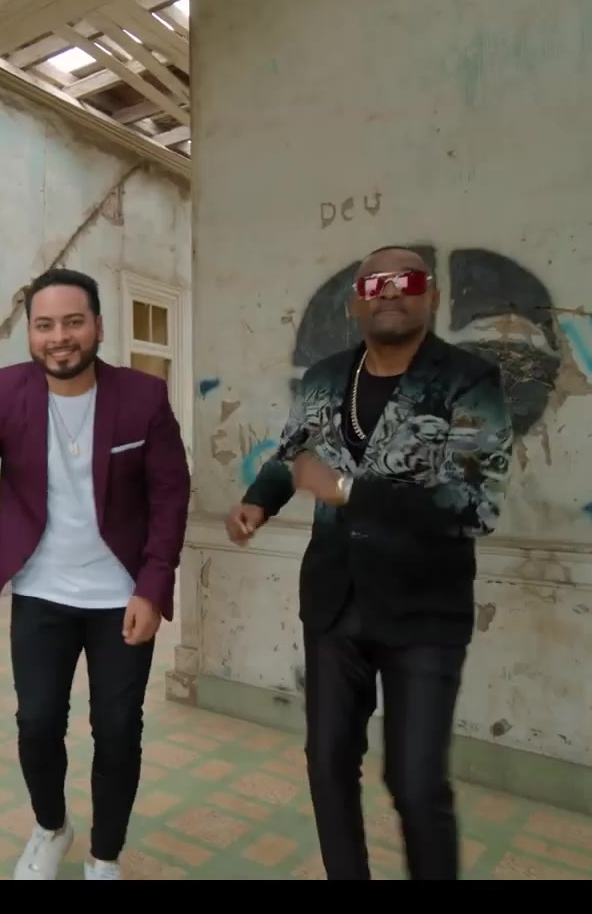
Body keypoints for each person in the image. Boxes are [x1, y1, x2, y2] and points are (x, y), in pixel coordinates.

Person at [225, 245, 513, 880]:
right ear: (355, 303)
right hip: (334, 604)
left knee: (416, 784)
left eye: (406, 280)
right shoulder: (327, 376)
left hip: (425, 610)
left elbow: (475, 504)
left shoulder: (468, 380)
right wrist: (258, 502)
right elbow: (293, 454)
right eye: (374, 283)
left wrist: (348, 492)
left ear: (432, 295)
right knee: (328, 764)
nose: (389, 291)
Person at [0, 267, 190, 881]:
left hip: (121, 596)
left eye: (73, 322)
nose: (59, 337)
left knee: (117, 730)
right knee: (36, 724)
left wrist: (153, 587)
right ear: (31, 334)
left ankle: (104, 855)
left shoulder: (143, 396)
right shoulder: (3, 392)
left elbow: (171, 495)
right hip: (40, 590)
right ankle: (51, 826)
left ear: (98, 327)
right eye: (45, 325)